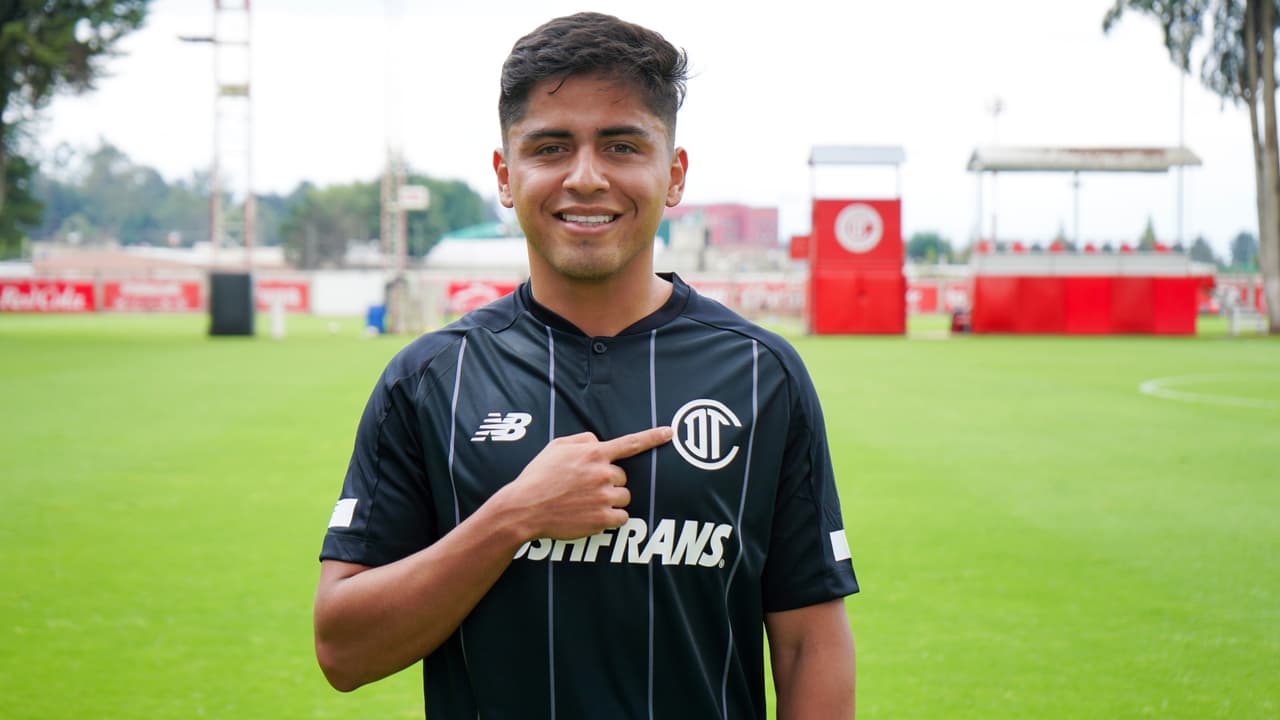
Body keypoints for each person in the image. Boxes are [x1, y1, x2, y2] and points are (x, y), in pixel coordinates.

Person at [314, 11, 858, 719]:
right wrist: (512, 517)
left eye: (622, 145)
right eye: (551, 148)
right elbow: (344, 651)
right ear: (506, 176)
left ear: (674, 174)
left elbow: (809, 644)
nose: (586, 178)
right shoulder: (429, 380)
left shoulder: (762, 375)